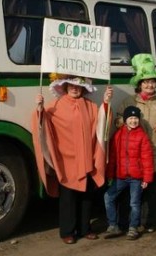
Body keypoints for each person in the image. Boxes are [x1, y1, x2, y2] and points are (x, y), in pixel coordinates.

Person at [31, 73, 113, 244]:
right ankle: (67, 231)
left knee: (86, 197)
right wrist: (39, 109)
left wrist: (106, 103)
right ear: (65, 87)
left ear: (83, 88)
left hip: (86, 158)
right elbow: (43, 126)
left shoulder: (90, 105)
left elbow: (101, 125)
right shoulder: (56, 106)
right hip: (66, 160)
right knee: (68, 198)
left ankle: (85, 228)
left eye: (78, 85)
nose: (75, 88)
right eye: (71, 85)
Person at [115, 53, 156, 233]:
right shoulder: (128, 102)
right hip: (133, 155)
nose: (149, 85)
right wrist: (126, 123)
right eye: (145, 82)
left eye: (152, 82)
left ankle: (148, 222)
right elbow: (118, 120)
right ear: (139, 84)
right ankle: (127, 223)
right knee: (131, 193)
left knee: (151, 192)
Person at [104, 106, 154, 240]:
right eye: (130, 118)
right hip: (120, 176)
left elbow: (147, 158)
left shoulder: (142, 136)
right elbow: (113, 157)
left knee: (134, 203)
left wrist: (146, 179)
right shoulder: (118, 135)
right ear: (125, 120)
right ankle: (113, 225)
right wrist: (110, 175)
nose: (133, 121)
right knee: (108, 197)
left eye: (136, 118)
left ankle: (133, 228)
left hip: (136, 178)